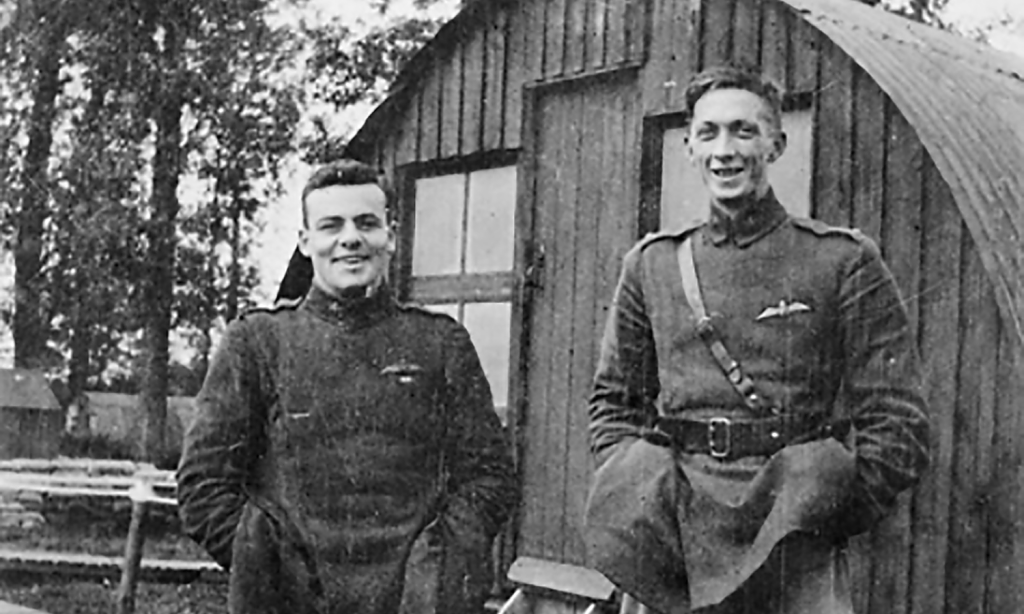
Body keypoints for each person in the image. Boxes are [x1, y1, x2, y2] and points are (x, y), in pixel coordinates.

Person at [583, 65, 931, 614]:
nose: (725, 150)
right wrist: (638, 488)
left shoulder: (840, 261)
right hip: (675, 532)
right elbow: (613, 403)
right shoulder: (652, 265)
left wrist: (829, 504)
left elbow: (898, 420)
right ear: (690, 148)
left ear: (776, 144)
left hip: (793, 529)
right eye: (708, 133)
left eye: (744, 131)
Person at [177, 159, 517, 614]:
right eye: (331, 225)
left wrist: (438, 573)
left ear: (391, 236)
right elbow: (202, 485)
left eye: (366, 223)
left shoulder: (441, 344)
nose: (350, 238)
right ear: (306, 242)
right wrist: (265, 566)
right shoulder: (257, 342)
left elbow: (490, 477)